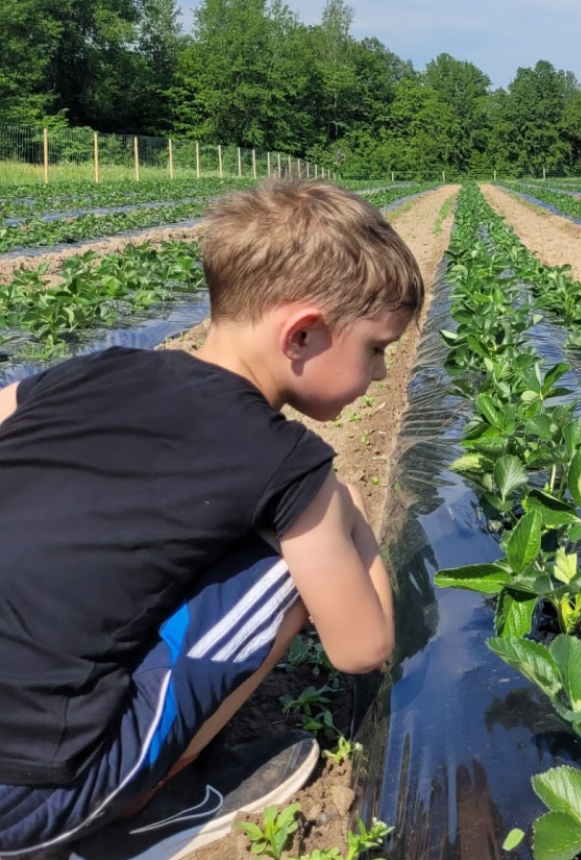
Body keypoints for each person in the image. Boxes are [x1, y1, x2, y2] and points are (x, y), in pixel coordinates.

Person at [0, 179, 423, 860]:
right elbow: (360, 647)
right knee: (292, 565)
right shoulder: (287, 462)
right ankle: (154, 804)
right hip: (31, 796)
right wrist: (347, 517)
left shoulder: (96, 369)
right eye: (377, 349)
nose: (378, 375)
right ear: (304, 334)